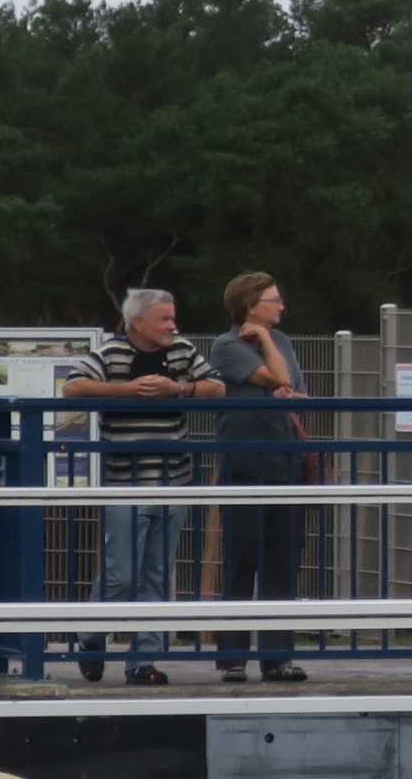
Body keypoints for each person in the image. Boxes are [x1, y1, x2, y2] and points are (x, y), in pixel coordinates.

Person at [62, 286, 223, 683]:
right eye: (164, 319)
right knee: (121, 574)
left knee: (158, 574)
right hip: (125, 482)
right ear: (137, 322)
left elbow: (217, 387)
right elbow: (73, 386)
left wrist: (178, 389)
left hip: (173, 480)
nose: (173, 326)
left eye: (173, 318)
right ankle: (91, 637)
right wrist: (127, 391)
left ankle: (143, 660)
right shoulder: (111, 353)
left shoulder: (182, 350)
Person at [205, 271, 312, 682]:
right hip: (246, 465)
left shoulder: (281, 340)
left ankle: (277, 656)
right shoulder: (228, 345)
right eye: (274, 300)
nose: (282, 306)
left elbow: (296, 390)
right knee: (242, 559)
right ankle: (233, 657)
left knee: (282, 562)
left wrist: (272, 349)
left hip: (285, 464)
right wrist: (266, 343)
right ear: (251, 306)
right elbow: (280, 380)